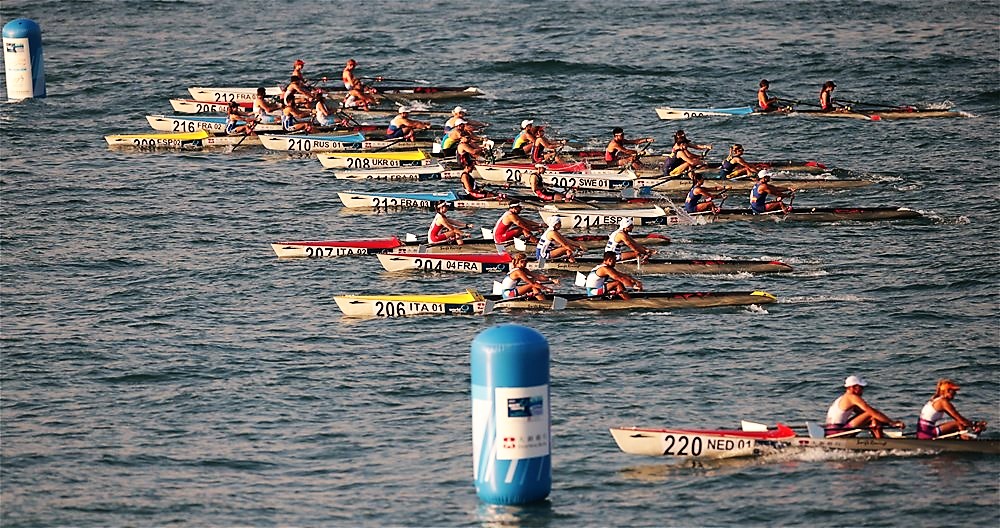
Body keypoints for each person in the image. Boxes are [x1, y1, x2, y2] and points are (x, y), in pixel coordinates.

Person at [824, 375, 905, 438]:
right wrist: (892, 423)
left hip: (830, 430)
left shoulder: (843, 398)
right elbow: (871, 412)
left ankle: (879, 439)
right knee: (871, 414)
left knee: (872, 417)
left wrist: (881, 423)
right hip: (837, 431)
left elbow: (863, 415)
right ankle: (881, 442)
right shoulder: (852, 397)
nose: (862, 390)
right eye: (861, 387)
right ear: (853, 387)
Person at [916, 379, 987, 440]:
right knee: (959, 424)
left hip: (923, 432)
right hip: (928, 433)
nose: (955, 393)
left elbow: (957, 418)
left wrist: (974, 424)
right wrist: (975, 425)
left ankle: (963, 439)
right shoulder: (943, 402)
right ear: (947, 391)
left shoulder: (935, 399)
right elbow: (961, 420)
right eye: (953, 391)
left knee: (959, 425)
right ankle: (967, 443)